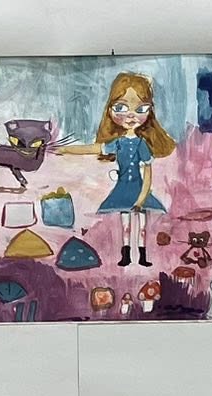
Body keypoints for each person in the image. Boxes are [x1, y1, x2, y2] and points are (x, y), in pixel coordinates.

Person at [61, 71, 175, 268]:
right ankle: (126, 256)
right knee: (126, 227)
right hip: (122, 190)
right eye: (121, 108)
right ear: (110, 110)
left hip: (139, 190)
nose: (131, 115)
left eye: (140, 109)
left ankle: (142, 256)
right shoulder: (118, 143)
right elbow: (94, 148)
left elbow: (148, 174)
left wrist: (141, 199)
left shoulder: (142, 144)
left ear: (149, 111)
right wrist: (66, 149)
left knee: (142, 227)